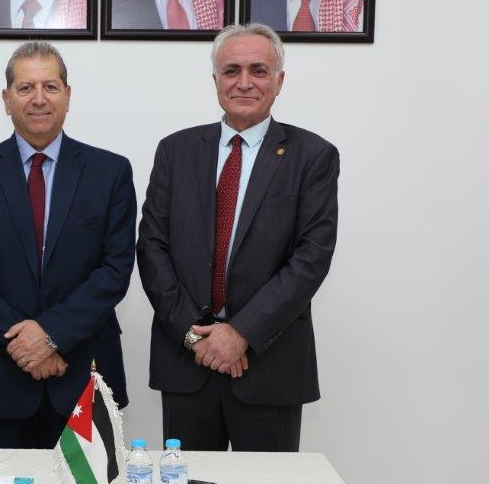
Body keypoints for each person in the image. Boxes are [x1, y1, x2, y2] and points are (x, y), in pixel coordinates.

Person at [137, 23, 339, 452]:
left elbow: (310, 259)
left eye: (258, 70)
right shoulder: (175, 151)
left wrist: (240, 334)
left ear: (279, 81)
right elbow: (152, 248)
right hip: (187, 364)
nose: (244, 82)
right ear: (215, 80)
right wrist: (196, 338)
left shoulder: (312, 156)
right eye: (231, 70)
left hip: (269, 368)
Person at [0, 42, 135, 448]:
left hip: (84, 372)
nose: (38, 99)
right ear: (6, 99)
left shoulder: (110, 172)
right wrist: (24, 343)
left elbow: (115, 270)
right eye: (25, 87)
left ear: (68, 95)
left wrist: (50, 335)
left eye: (50, 86)